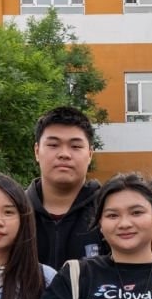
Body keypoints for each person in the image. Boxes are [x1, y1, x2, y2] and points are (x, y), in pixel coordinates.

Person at [39, 172, 152, 299]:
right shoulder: (76, 277)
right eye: (112, 215)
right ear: (100, 223)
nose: (124, 224)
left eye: (136, 213)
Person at [27, 106, 104, 271]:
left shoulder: (108, 211)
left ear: (90, 154)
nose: (64, 154)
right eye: (53, 145)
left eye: (75, 146)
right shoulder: (16, 211)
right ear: (37, 151)